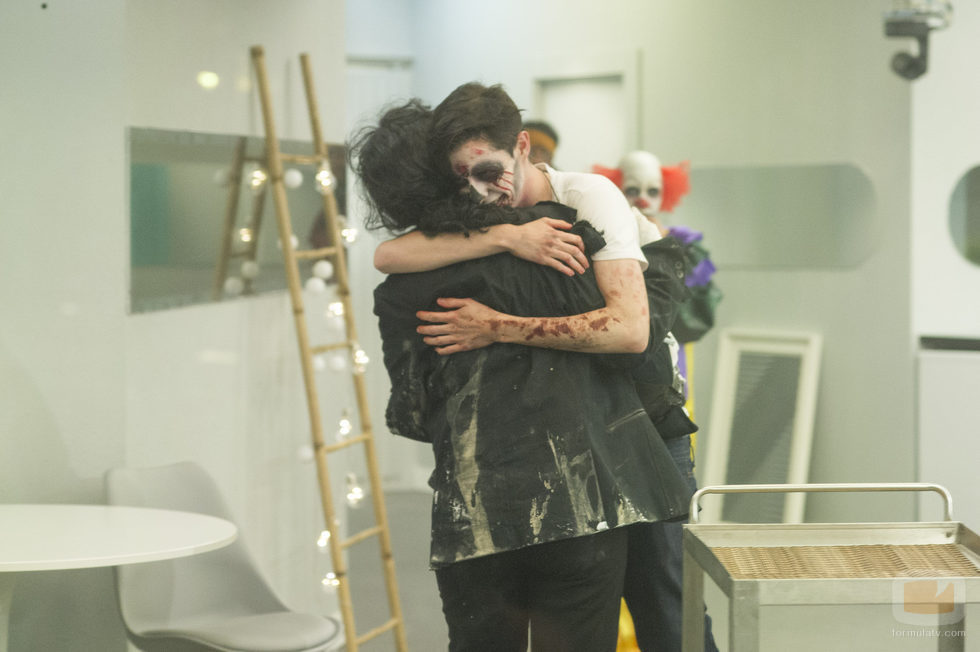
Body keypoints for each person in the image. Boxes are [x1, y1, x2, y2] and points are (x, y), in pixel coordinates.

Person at [354, 96, 692, 652]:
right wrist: (660, 257)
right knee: (658, 607)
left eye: (488, 171)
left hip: (482, 502)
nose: (483, 189)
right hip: (590, 485)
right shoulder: (560, 240)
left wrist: (497, 329)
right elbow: (632, 341)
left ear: (521, 147)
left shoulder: (579, 211)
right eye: (464, 175)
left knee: (663, 600)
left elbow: (413, 413)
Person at [596, 150, 720, 651]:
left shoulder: (682, 245)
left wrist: (667, 257)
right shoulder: (596, 235)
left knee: (667, 564)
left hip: (667, 394)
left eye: (652, 190)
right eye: (632, 190)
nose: (643, 199)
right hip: (610, 399)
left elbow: (695, 319)